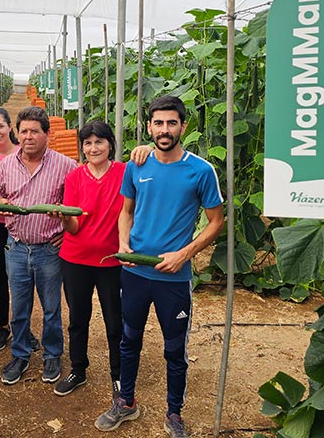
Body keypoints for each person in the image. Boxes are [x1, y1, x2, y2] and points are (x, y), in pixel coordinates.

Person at [94, 95, 224, 438]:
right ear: (149, 126)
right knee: (129, 339)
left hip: (174, 278)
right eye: (158, 123)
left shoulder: (201, 170)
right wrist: (123, 244)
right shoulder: (137, 164)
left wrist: (185, 254)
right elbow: (126, 211)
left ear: (183, 126)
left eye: (171, 123)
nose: (164, 129)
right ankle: (126, 401)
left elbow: (215, 222)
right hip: (135, 273)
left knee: (174, 349)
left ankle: (174, 413)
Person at [0, 106, 77, 386]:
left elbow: (77, 203)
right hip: (16, 247)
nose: (28, 137)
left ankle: (52, 354)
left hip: (49, 249)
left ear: (47, 135)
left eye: (34, 131)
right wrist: (3, 205)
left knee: (51, 307)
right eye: (23, 131)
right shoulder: (7, 164)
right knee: (21, 306)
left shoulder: (65, 165)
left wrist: (67, 230)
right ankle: (21, 354)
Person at [50, 121, 124, 398]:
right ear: (82, 147)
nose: (93, 148)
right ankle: (78, 370)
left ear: (110, 145)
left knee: (114, 321)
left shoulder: (125, 173)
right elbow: (74, 228)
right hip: (75, 258)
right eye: (88, 143)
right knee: (78, 319)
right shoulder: (74, 177)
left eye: (99, 142)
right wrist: (64, 217)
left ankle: (118, 375)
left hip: (111, 261)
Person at [0, 108, 39, 352]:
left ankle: (24, 328)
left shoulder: (23, 153)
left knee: (22, 279)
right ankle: (4, 326)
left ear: (10, 127)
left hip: (22, 226)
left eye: (0, 126)